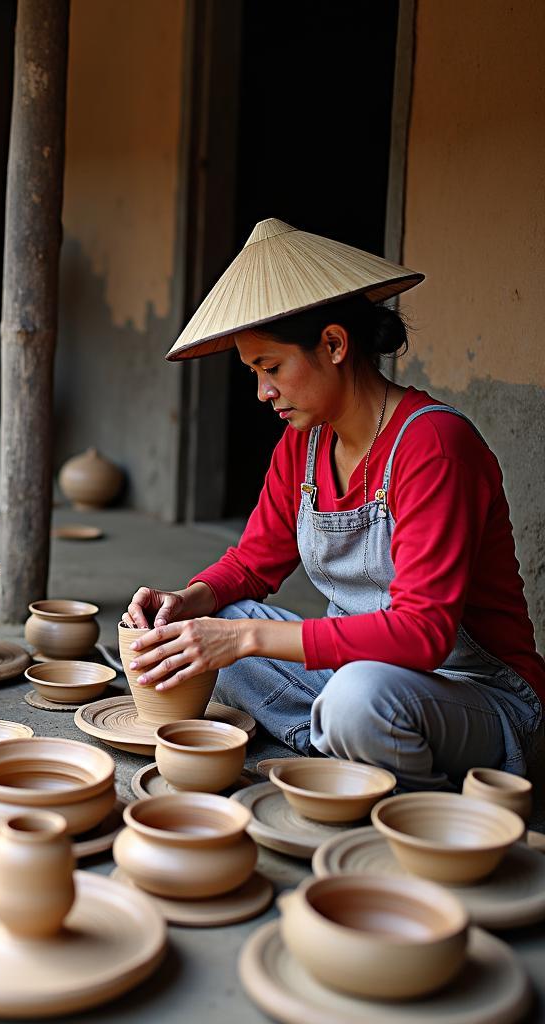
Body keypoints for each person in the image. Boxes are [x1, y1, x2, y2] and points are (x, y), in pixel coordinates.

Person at [124, 218, 544, 791]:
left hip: (469, 691)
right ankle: (353, 754)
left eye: (270, 369)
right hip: (354, 673)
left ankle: (417, 796)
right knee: (213, 625)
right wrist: (187, 601)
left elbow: (424, 634)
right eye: (254, 373)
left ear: (334, 344)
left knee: (352, 697)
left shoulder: (436, 447)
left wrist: (244, 641)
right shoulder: (303, 443)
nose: (262, 392)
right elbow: (251, 565)